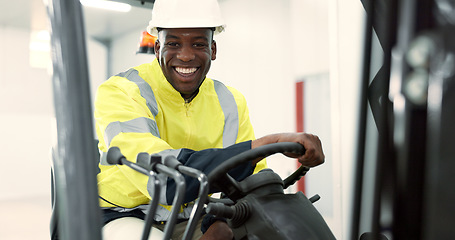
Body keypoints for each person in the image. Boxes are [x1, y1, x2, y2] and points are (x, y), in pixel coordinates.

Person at [94, 0, 325, 239]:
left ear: (212, 50)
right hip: (125, 214)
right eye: (173, 43)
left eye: (198, 44)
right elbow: (162, 179)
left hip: (192, 214)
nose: (185, 55)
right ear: (157, 48)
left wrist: (219, 222)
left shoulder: (230, 102)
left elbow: (248, 181)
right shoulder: (121, 91)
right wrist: (268, 143)